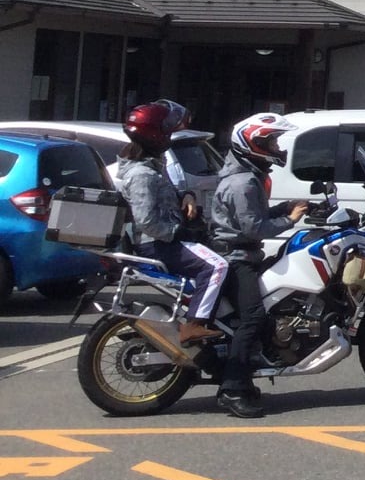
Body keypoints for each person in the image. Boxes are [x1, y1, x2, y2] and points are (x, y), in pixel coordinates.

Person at [208, 112, 309, 419]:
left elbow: (253, 217)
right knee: (252, 317)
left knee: (264, 311)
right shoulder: (243, 182)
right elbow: (253, 229)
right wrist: (289, 220)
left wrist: (284, 208)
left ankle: (249, 372)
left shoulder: (247, 176)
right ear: (254, 144)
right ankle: (232, 389)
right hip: (237, 259)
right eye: (272, 142)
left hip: (243, 255)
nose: (277, 147)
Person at [113, 101, 228, 350]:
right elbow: (146, 221)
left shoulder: (153, 166)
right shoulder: (141, 174)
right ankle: (194, 324)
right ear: (155, 135)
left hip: (164, 241)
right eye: (166, 131)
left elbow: (165, 196)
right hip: (157, 245)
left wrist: (186, 196)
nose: (169, 136)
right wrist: (178, 232)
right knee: (217, 266)